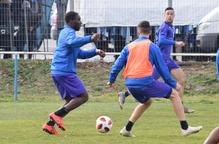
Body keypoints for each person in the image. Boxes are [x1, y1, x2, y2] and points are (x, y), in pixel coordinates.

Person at [108, 20, 202, 137]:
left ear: (138, 32)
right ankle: (185, 128)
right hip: (144, 82)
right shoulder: (153, 47)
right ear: (150, 33)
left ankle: (126, 129)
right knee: (174, 95)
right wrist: (174, 84)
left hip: (130, 84)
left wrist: (111, 80)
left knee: (147, 102)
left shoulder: (129, 47)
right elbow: (163, 69)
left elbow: (117, 65)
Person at [118, 7, 194, 114]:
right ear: (164, 15)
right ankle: (124, 94)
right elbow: (162, 41)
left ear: (174, 15)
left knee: (182, 79)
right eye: (168, 14)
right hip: (161, 60)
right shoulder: (164, 27)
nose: (170, 16)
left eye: (172, 14)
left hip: (167, 59)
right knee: (148, 81)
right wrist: (175, 43)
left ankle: (181, 106)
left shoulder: (169, 27)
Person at [42, 11, 105, 135]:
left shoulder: (69, 34)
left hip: (58, 71)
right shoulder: (67, 33)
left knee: (70, 101)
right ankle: (56, 115)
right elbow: (72, 42)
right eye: (78, 19)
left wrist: (96, 51)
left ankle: (49, 125)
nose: (80, 22)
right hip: (65, 71)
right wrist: (89, 38)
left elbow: (80, 54)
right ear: (71, 21)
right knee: (83, 96)